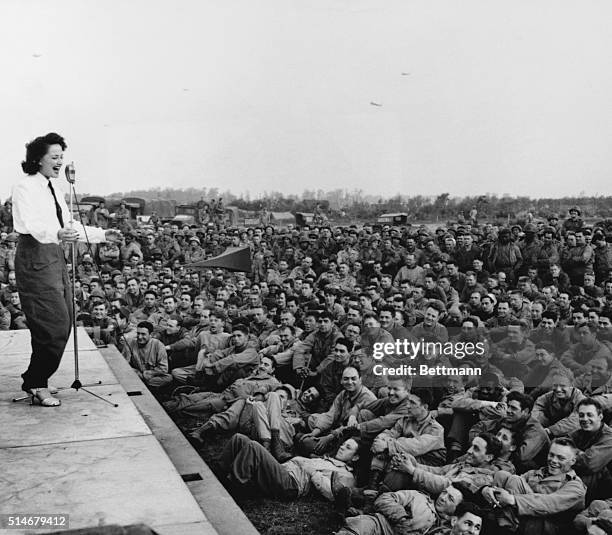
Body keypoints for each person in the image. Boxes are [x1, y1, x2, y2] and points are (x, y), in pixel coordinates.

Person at [12, 133, 121, 406]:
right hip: (35, 256)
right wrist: (58, 232)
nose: (60, 162)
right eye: (55, 157)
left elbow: (69, 223)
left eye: (62, 157)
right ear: (38, 159)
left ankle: (36, 379)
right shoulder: (25, 187)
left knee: (65, 318)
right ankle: (37, 382)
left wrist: (101, 234)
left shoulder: (54, 188)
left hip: (55, 256)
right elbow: (31, 224)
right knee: (53, 325)